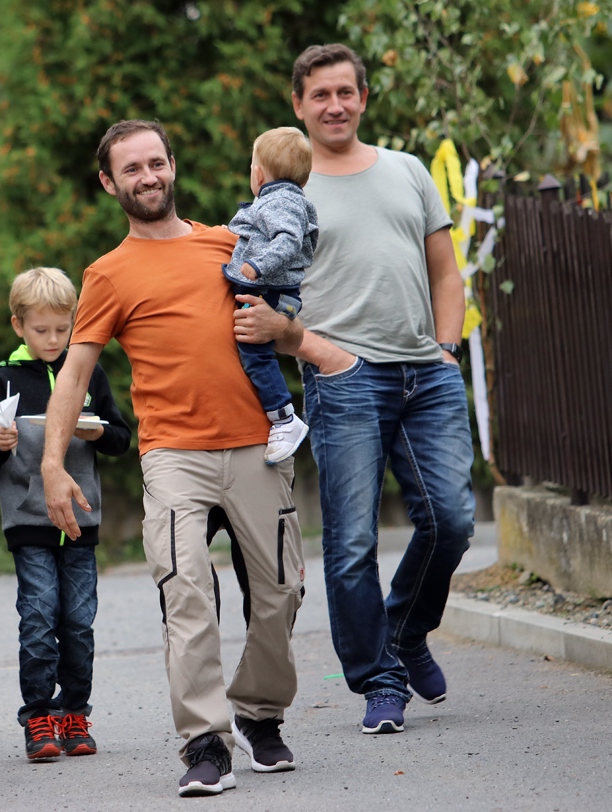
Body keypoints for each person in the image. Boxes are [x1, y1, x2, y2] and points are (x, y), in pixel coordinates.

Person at [41, 120, 306, 797]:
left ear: (173, 166)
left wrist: (282, 328)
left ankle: (259, 712)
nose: (148, 176)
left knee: (282, 590)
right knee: (185, 591)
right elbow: (74, 373)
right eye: (132, 169)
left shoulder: (231, 244)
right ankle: (206, 741)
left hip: (257, 447)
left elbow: (290, 324)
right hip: (173, 456)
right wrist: (52, 465)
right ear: (110, 183)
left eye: (156, 162)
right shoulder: (108, 273)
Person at [289, 44, 475, 734]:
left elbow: (446, 273)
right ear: (299, 105)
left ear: (363, 98)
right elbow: (262, 293)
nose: (335, 105)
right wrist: (314, 352)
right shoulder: (289, 190)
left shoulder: (407, 169)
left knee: (452, 520)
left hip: (427, 372)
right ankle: (380, 679)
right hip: (344, 378)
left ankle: (404, 629)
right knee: (350, 545)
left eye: (346, 92)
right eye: (320, 95)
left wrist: (447, 350)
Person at [0, 267, 131, 761]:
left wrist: (95, 431)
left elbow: (122, 438)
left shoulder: (88, 372)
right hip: (28, 522)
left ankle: (75, 714)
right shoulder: (5, 378)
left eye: (63, 329)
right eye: (41, 330)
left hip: (81, 523)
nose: (53, 339)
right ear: (18, 325)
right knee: (39, 619)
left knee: (78, 623)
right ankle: (39, 715)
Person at [221, 126, 317, 464]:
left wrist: (258, 265)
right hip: (287, 297)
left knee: (255, 355)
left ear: (258, 174)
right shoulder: (291, 200)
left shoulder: (278, 201)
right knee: (261, 349)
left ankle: (284, 418)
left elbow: (287, 240)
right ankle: (282, 416)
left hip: (270, 291)